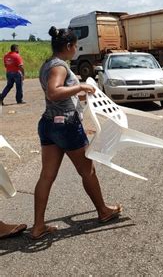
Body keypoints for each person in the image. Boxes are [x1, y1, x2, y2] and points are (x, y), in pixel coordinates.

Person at [31, 27, 122, 240]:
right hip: (67, 125)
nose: (76, 49)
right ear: (69, 46)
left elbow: (57, 95)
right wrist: (80, 86)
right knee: (87, 170)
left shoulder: (47, 64)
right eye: (75, 46)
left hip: (49, 123)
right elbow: (54, 92)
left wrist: (81, 97)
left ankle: (38, 226)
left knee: (46, 176)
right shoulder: (60, 66)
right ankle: (103, 211)